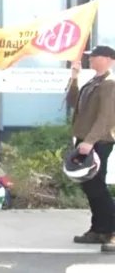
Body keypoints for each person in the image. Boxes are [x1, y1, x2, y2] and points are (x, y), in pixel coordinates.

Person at [67, 45, 115, 252]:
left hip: (98, 141)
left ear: (107, 59)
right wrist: (74, 77)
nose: (90, 59)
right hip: (84, 139)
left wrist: (90, 141)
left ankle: (109, 229)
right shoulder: (93, 81)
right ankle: (99, 229)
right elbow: (72, 102)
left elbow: (107, 116)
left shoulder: (109, 83)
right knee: (90, 186)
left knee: (96, 186)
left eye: (94, 56)